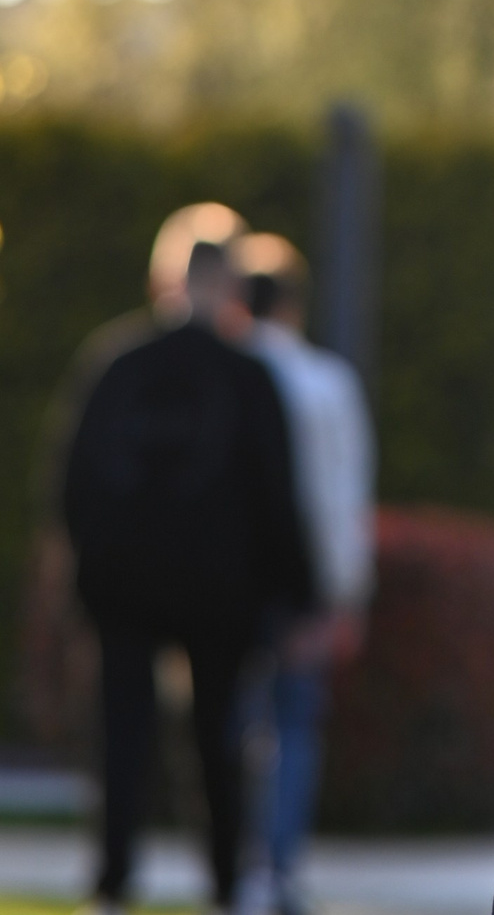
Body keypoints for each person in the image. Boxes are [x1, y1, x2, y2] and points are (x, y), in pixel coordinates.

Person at [63, 237, 313, 912]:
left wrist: (85, 576)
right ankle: (227, 880)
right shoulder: (246, 377)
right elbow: (277, 493)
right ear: (230, 289)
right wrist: (297, 593)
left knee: (122, 736)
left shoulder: (118, 364)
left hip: (125, 586)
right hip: (219, 592)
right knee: (219, 739)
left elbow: (74, 481)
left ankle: (112, 880)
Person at [232, 234, 377, 915]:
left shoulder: (227, 374)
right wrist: (346, 592)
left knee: (235, 725)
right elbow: (344, 496)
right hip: (304, 586)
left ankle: (239, 863)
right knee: (293, 727)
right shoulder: (325, 383)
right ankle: (279, 868)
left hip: (235, 584)